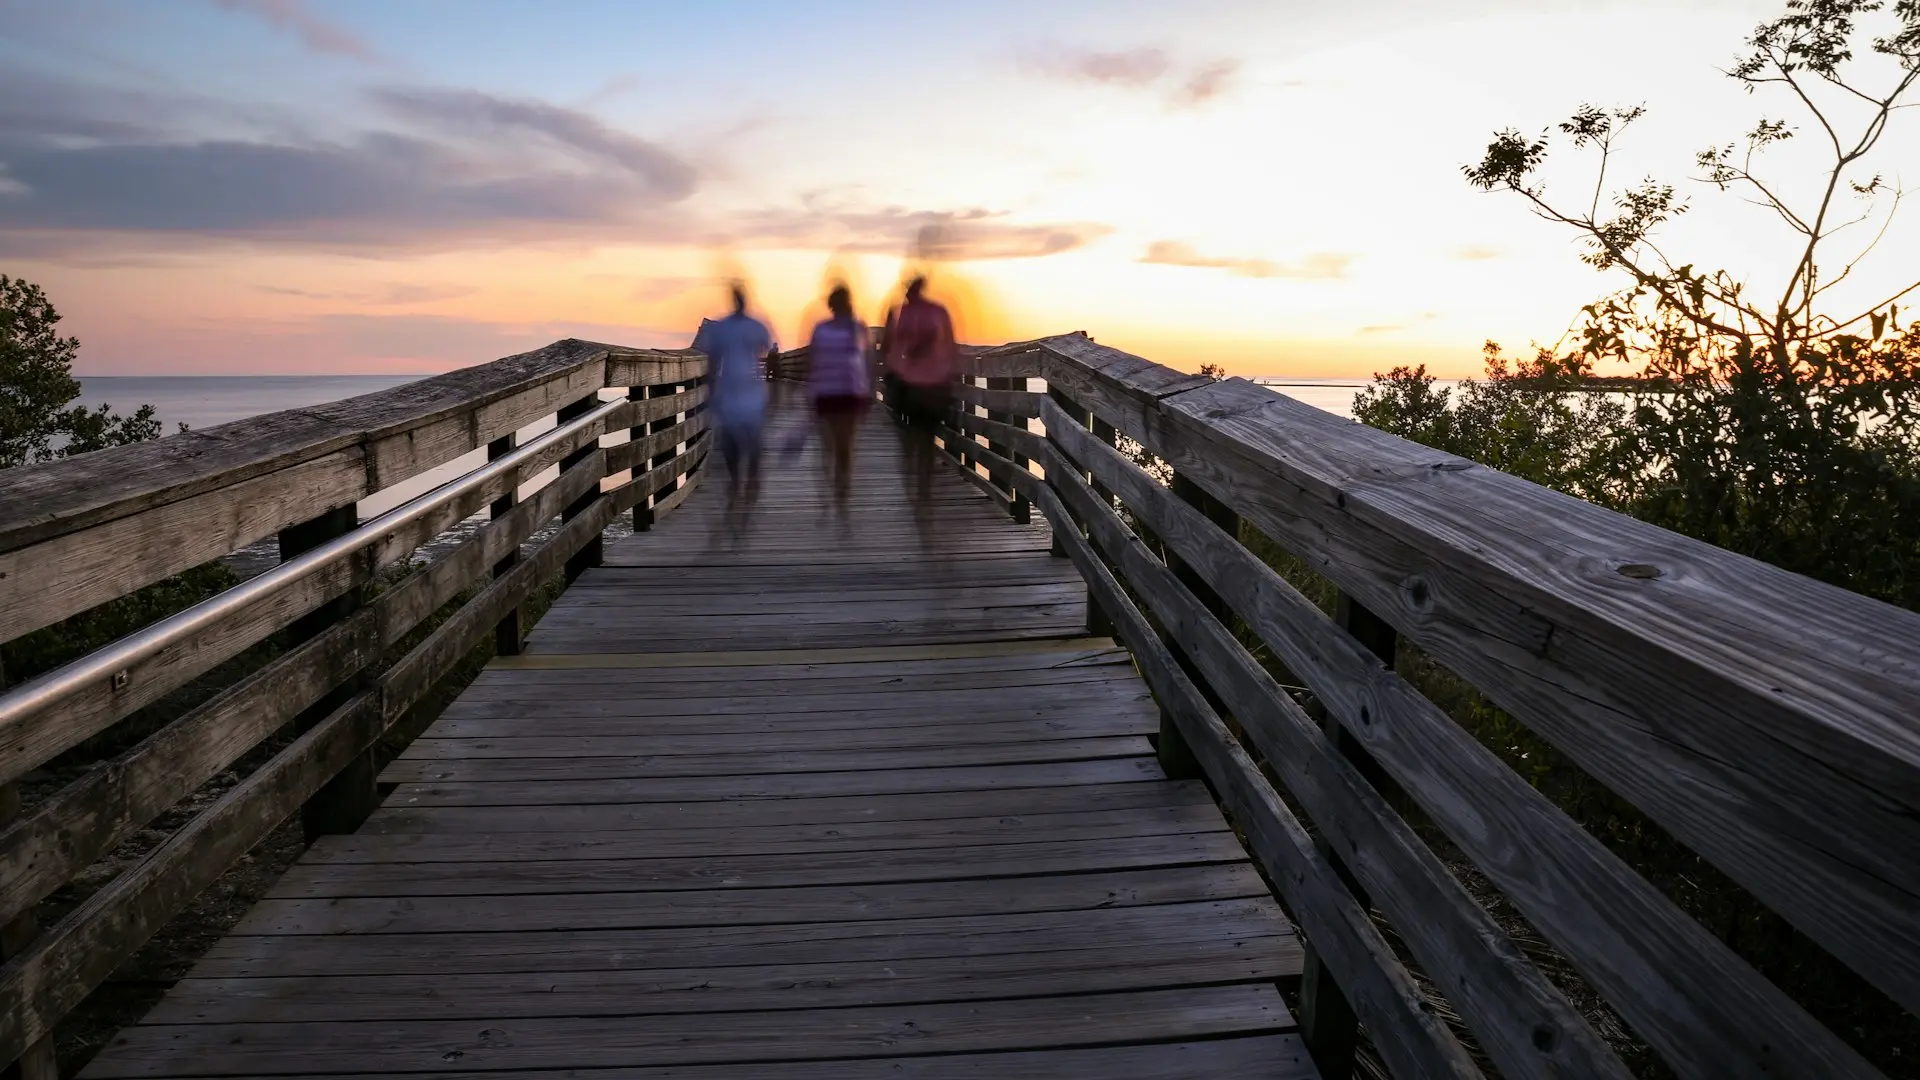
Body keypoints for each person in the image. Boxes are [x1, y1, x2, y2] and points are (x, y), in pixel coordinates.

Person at [691, 283, 772, 537]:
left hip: (743, 392)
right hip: (741, 392)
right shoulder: (752, 325)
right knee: (737, 442)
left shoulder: (726, 327)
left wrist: (711, 390)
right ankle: (744, 482)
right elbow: (764, 349)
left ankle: (746, 481)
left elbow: (714, 359)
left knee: (743, 441)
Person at [884, 276, 959, 537]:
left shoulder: (902, 313)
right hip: (925, 384)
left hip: (918, 385)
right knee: (922, 436)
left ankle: (919, 484)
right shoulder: (936, 312)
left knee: (918, 435)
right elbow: (951, 347)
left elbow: (888, 348)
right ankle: (921, 483)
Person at [806, 285, 872, 522]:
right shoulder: (825, 329)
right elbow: (813, 360)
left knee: (839, 447)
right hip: (833, 393)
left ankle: (839, 492)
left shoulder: (855, 327)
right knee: (837, 448)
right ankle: (836, 492)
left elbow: (865, 360)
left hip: (846, 393)